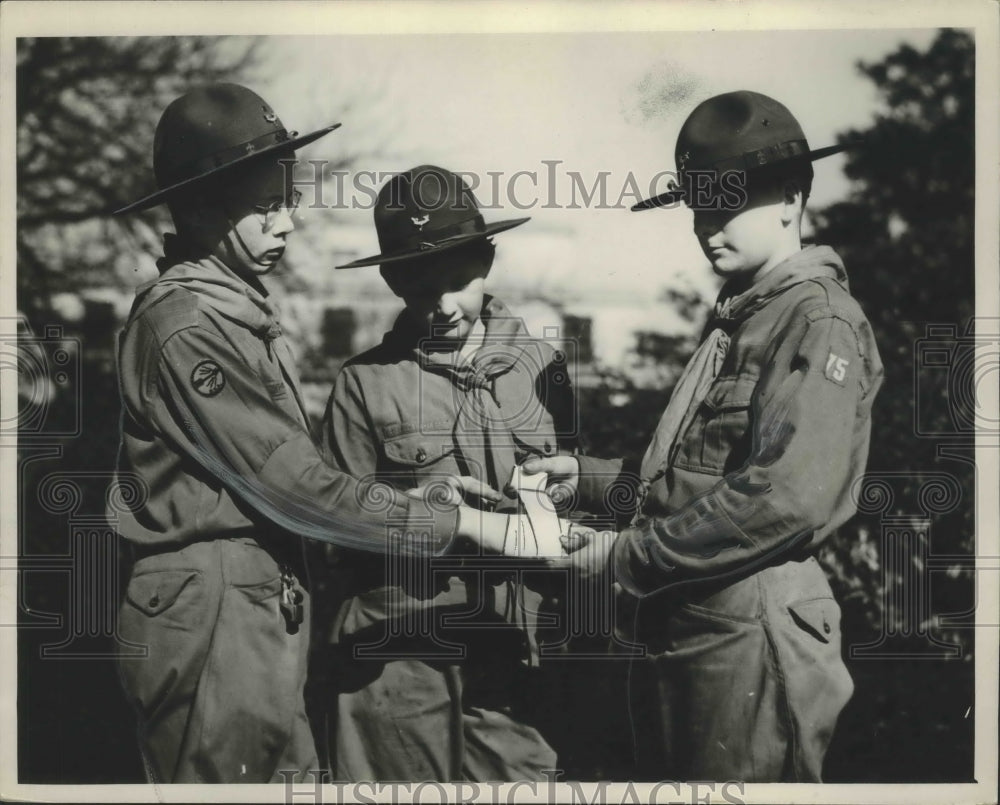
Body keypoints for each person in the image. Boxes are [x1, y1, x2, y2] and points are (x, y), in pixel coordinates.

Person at [109, 86, 525, 784]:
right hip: (215, 612)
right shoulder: (187, 327)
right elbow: (298, 485)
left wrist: (431, 493)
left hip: (250, 606)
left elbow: (303, 479)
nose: (289, 223)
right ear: (204, 205)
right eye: (267, 205)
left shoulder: (227, 315)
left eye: (288, 201)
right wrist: (463, 525)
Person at [528, 90, 884, 782]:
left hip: (752, 626)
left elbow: (788, 495)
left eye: (725, 201)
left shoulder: (816, 320)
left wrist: (626, 554)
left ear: (788, 197)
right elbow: (701, 475)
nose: (704, 224)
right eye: (698, 204)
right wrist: (593, 475)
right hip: (698, 620)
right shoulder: (745, 318)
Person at [313, 165, 577, 781]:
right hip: (398, 646)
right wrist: (421, 499)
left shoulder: (542, 369)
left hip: (512, 647)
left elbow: (578, 487)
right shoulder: (363, 382)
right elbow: (329, 528)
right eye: (420, 283)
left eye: (458, 279)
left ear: (488, 257)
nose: (443, 304)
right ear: (392, 278)